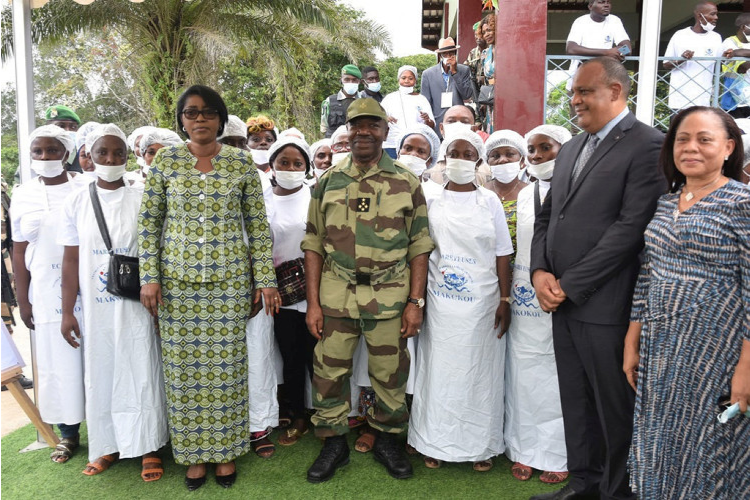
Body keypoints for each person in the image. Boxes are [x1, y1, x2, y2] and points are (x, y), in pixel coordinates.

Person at [529, 57, 665, 500]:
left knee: (612, 408)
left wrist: (570, 284)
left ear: (616, 92)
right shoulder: (570, 146)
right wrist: (539, 271)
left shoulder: (648, 145)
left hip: (606, 306)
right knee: (576, 400)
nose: (575, 99)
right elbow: (549, 216)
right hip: (561, 301)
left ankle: (616, 491)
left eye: (585, 91)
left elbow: (629, 230)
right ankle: (583, 483)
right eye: (574, 91)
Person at [138, 85, 279, 490]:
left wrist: (264, 281)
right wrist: (150, 277)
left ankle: (227, 453)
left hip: (230, 283)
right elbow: (148, 224)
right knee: (183, 372)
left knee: (228, 369)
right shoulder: (166, 162)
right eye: (191, 112)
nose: (199, 119)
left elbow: (257, 225)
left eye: (208, 112)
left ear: (220, 118)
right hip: (177, 285)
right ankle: (193, 456)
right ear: (181, 119)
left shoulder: (240, 163)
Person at [302, 98, 434, 483]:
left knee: (390, 373)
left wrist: (415, 302)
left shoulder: (406, 182)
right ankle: (333, 441)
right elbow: (312, 244)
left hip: (390, 295)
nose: (363, 131)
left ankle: (387, 438)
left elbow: (420, 245)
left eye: (372, 125)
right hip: (336, 295)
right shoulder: (327, 181)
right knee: (329, 371)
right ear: (347, 129)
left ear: (384, 131)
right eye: (356, 124)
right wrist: (312, 303)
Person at [623, 107, 750, 498]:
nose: (691, 147)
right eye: (682, 139)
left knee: (713, 446)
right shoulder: (665, 203)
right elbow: (647, 275)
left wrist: (746, 367)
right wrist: (632, 339)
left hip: (718, 352)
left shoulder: (742, 202)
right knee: (661, 440)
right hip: (662, 350)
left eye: (704, 139)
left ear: (728, 147)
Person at [59, 123, 168, 481]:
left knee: (142, 367)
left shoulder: (142, 196)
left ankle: (148, 446)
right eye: (103, 153)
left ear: (128, 156)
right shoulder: (75, 200)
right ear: (88, 156)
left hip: (138, 301)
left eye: (118, 153)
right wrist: (66, 311)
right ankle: (107, 445)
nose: (110, 159)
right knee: (102, 369)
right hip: (96, 306)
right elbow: (71, 259)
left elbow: (157, 249)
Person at [408, 129, 512, 473]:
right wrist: (418, 300)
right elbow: (420, 250)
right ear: (443, 158)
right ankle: (432, 441)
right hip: (440, 303)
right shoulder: (430, 198)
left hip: (482, 303)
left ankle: (480, 445)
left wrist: (505, 298)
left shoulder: (490, 201)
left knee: (479, 373)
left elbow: (502, 252)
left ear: (478, 162)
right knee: (439, 372)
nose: (461, 159)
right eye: (455, 152)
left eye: (468, 155)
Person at [9, 125, 85, 463]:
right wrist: (23, 300)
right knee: (58, 363)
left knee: (92, 359)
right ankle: (69, 435)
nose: (44, 158)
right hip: (43, 289)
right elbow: (18, 250)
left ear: (66, 154)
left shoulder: (86, 186)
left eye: (52, 151)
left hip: (89, 287)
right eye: (37, 152)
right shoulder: (23, 195)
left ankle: (107, 433)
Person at [504, 125, 572, 485]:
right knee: (522, 374)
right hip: (523, 297)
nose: (537, 155)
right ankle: (523, 450)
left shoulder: (578, 192)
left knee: (556, 376)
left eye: (546, 147)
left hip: (561, 296)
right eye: (531, 150)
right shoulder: (524, 195)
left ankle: (557, 453)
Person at [264, 135, 317, 447]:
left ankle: (325, 415)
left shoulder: (315, 198)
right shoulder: (263, 200)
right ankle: (298, 415)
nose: (291, 168)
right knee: (291, 356)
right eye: (284, 162)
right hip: (279, 295)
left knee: (318, 357)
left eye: (298, 163)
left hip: (313, 290)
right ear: (272, 165)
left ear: (307, 168)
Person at [663, 2, 728, 111]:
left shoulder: (716, 37)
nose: (716, 17)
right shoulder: (680, 35)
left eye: (716, 14)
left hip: (703, 98)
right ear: (699, 15)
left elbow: (719, 63)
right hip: (680, 98)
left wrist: (725, 56)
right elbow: (666, 64)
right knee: (678, 127)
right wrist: (682, 59)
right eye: (712, 14)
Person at [565, 0, 631, 91]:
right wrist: (606, 52)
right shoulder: (581, 21)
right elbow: (571, 49)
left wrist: (619, 52)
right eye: (601, 2)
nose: (606, 5)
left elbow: (627, 49)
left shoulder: (614, 21)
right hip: (580, 76)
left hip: (604, 76)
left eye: (608, 2)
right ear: (590, 6)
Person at [484, 130, 528, 256]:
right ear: (488, 162)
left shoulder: (531, 194)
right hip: (486, 269)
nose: (503, 160)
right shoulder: (479, 194)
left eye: (509, 154)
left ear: (521, 160)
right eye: (495, 156)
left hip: (523, 269)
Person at [420, 37, 475, 136]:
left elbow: (466, 95)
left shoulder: (464, 70)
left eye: (451, 53)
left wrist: (454, 72)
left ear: (455, 53)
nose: (448, 56)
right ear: (440, 55)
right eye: (445, 53)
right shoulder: (428, 74)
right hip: (438, 123)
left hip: (458, 123)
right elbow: (425, 102)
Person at [381, 65, 435, 159]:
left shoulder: (421, 99)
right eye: (403, 78)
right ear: (398, 80)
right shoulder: (389, 98)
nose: (406, 81)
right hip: (391, 145)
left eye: (410, 78)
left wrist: (427, 119)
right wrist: (385, 118)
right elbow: (377, 118)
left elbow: (432, 125)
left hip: (414, 146)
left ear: (415, 81)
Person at [721, 13, 750, 118]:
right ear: (743, 27)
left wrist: (742, 52)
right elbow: (742, 67)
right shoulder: (729, 42)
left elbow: (740, 53)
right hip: (734, 98)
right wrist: (738, 52)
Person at [321, 64, 361, 138]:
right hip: (334, 144)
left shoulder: (364, 101)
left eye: (354, 80)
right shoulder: (329, 101)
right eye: (347, 79)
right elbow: (324, 127)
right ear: (341, 80)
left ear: (359, 82)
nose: (350, 82)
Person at [246, 114, 278, 183]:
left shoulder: (281, 176)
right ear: (246, 143)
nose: (263, 142)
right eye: (256, 139)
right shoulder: (238, 173)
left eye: (269, 140)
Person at [479, 14, 496, 133]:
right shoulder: (485, 53)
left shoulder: (506, 48)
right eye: (484, 32)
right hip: (490, 98)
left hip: (504, 95)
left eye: (489, 30)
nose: (486, 35)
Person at [464, 19, 487, 100]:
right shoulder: (473, 53)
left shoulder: (492, 50)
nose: (478, 37)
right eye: (475, 35)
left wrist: (484, 78)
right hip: (477, 93)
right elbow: (466, 70)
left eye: (480, 34)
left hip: (490, 92)